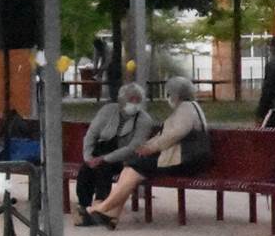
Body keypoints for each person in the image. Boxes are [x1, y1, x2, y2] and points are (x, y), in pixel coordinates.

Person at [88, 78, 211, 228]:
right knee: (132, 166)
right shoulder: (188, 108)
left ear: (176, 95)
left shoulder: (186, 108)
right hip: (183, 159)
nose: (168, 97)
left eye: (168, 94)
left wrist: (151, 148)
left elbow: (174, 134)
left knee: (134, 167)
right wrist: (145, 146)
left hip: (186, 161)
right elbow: (163, 135)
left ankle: (103, 208)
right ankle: (111, 214)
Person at [76, 82, 156, 224]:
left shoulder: (144, 120)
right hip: (100, 151)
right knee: (86, 170)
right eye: (131, 99)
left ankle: (99, 207)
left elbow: (132, 148)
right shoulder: (108, 111)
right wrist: (88, 157)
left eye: (138, 100)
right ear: (122, 100)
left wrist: (104, 159)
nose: (134, 103)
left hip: (124, 158)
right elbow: (91, 134)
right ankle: (84, 207)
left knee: (104, 168)